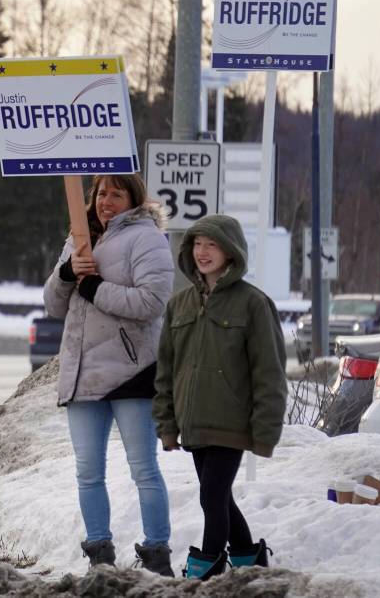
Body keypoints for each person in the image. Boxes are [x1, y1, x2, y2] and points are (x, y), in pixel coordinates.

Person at [43, 173, 175, 576]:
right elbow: (53, 305)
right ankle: (99, 553)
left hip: (131, 372)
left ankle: (156, 554)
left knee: (143, 469)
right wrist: (67, 274)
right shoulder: (80, 237)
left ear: (133, 199)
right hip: (83, 374)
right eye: (102, 193)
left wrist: (95, 289)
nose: (107, 201)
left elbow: (152, 302)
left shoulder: (146, 237)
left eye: (117, 193)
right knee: (87, 470)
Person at [153, 214, 287, 580]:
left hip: (231, 421)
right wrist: (166, 424)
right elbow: (165, 370)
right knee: (220, 498)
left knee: (211, 497)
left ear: (231, 252)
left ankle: (205, 569)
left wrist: (264, 430)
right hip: (193, 422)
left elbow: (269, 374)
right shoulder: (178, 305)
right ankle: (247, 559)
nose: (203, 252)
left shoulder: (253, 304)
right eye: (197, 244)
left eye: (212, 244)